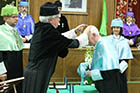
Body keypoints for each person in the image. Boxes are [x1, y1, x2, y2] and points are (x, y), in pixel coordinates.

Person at [23, 2, 90, 93]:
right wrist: (86, 34)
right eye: (58, 17)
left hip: (36, 71)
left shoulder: (42, 27)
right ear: (51, 19)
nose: (59, 20)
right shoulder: (48, 32)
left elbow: (60, 39)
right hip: (37, 73)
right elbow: (70, 43)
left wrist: (75, 31)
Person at [78, 25, 121, 93]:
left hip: (109, 87)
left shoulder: (104, 45)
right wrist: (89, 66)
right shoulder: (101, 43)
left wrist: (90, 74)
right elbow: (102, 65)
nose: (88, 43)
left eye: (88, 39)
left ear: (94, 35)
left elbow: (109, 72)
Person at [0, 5, 24, 93]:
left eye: (17, 16)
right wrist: (1, 72)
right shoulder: (1, 31)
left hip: (17, 70)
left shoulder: (15, 31)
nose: (17, 19)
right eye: (14, 17)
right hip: (6, 70)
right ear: (6, 18)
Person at [108, 18, 133, 93]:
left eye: (118, 27)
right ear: (112, 28)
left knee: (121, 87)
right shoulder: (107, 40)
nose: (116, 29)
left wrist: (119, 69)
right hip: (109, 68)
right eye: (114, 27)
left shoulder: (125, 41)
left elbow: (126, 59)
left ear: (120, 29)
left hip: (120, 70)